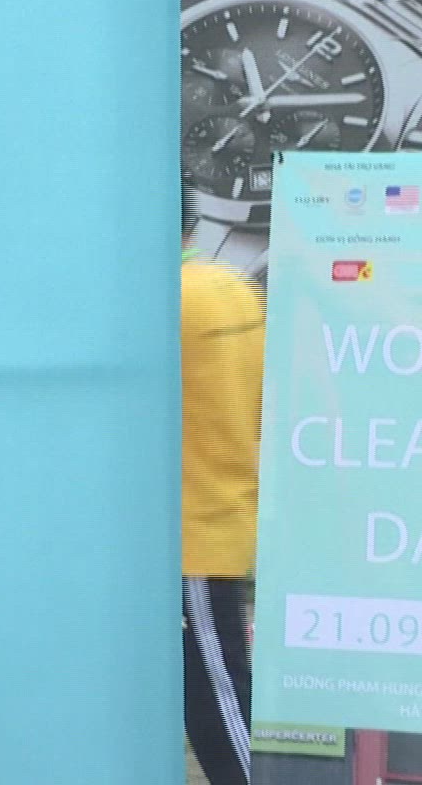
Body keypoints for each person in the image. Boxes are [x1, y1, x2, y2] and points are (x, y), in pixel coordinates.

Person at [180, 172, 266, 785]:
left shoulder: (169, 304)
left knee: (220, 702)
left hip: (193, 537)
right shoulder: (234, 292)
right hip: (225, 518)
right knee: (215, 691)